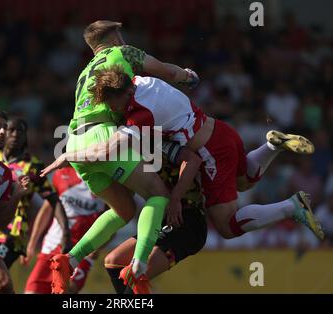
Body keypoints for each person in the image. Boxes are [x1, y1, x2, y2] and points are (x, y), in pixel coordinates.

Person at [45, 66, 323, 246]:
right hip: (221, 131)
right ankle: (273, 146)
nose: (111, 109)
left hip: (209, 151)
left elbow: (105, 151)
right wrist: (186, 75)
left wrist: (68, 154)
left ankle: (291, 206)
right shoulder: (142, 80)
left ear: (122, 94)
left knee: (226, 225)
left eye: (111, 103)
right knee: (244, 181)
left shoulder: (140, 116)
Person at [49, 20, 201, 294]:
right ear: (116, 36)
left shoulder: (85, 73)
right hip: (104, 137)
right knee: (157, 192)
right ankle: (140, 264)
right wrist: (188, 76)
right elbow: (166, 71)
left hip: (75, 140)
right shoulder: (123, 53)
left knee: (123, 210)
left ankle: (69, 258)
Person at [104, 153, 207, 293]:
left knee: (135, 274)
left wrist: (175, 199)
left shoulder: (167, 145)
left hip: (187, 221)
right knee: (113, 261)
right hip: (163, 221)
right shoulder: (139, 156)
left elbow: (193, 160)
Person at [0, 117, 68, 271]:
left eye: (20, 131)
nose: (15, 134)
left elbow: (53, 199)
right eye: (11, 130)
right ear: (3, 133)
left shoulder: (32, 165)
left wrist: (65, 231)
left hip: (12, 233)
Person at [24, 166, 106, 294]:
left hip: (81, 251)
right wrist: (32, 243)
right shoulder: (60, 174)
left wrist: (97, 249)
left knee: (65, 291)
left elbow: (116, 218)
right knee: (31, 292)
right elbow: (48, 208)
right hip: (53, 245)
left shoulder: (106, 181)